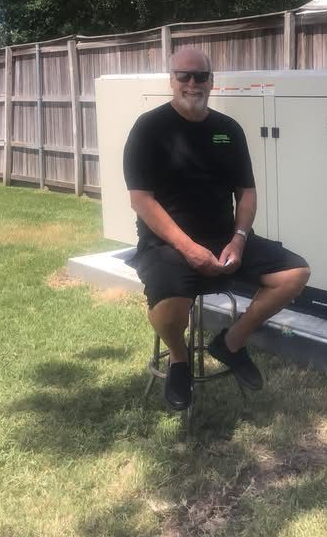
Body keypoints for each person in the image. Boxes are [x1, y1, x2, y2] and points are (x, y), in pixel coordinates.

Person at [123, 47, 310, 411]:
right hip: (166, 244)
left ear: (212, 81)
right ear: (171, 80)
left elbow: (247, 193)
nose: (193, 84)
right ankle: (180, 357)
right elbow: (141, 200)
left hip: (225, 239)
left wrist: (239, 240)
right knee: (170, 303)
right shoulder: (149, 128)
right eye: (184, 76)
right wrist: (188, 249)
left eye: (201, 76)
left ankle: (230, 344)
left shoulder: (227, 130)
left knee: (295, 273)